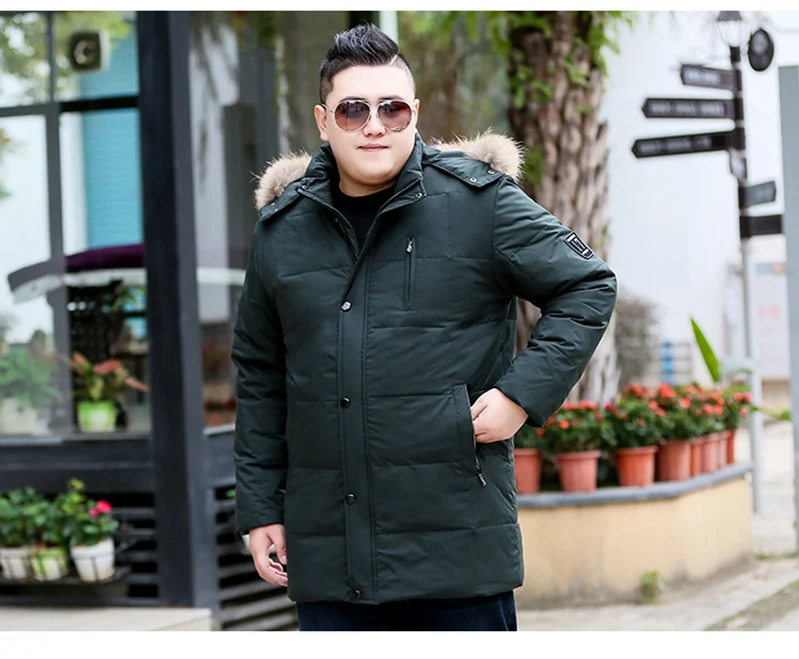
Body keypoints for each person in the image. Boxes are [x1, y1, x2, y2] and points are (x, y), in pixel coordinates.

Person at [231, 23, 617, 632]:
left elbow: (587, 284)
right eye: (353, 110)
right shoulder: (282, 231)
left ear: (415, 113)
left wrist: (521, 395)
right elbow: (259, 374)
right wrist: (259, 508)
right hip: (331, 562)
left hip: (458, 557)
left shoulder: (480, 203)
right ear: (323, 121)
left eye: (392, 108)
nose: (375, 125)